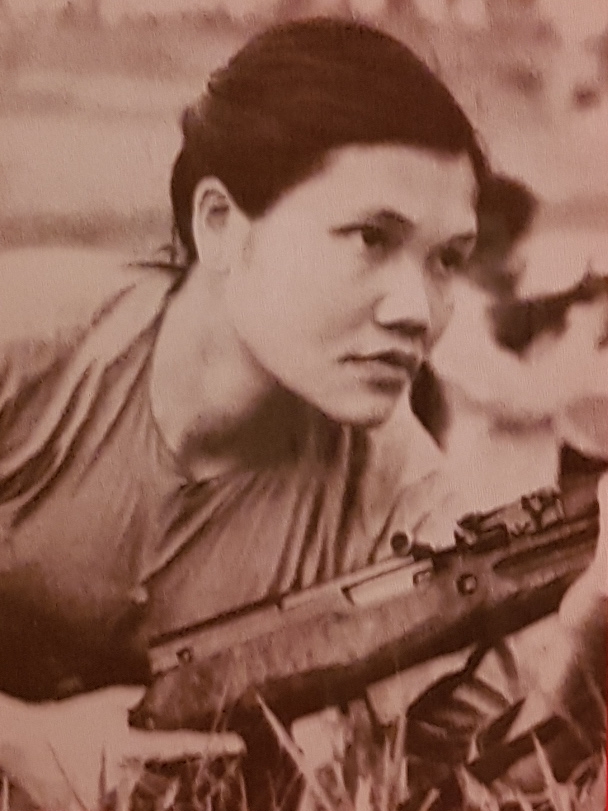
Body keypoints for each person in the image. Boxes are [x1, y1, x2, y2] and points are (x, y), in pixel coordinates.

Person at [0, 17, 604, 811]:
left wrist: (586, 636)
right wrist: (22, 740)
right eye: (370, 238)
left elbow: (466, 783)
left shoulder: (412, 507)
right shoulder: (26, 347)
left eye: (448, 260)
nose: (419, 309)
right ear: (219, 224)